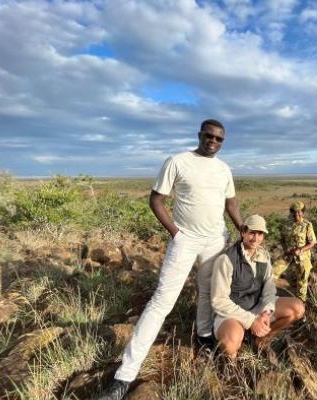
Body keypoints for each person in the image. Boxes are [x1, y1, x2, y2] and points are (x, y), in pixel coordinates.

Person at [96, 119, 243, 400]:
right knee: (161, 301)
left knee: (207, 292)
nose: (213, 141)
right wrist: (176, 233)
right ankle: (124, 376)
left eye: (219, 138)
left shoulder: (224, 169)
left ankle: (203, 335)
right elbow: (156, 200)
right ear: (199, 135)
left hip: (215, 240)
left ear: (223, 142)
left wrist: (241, 228)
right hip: (185, 240)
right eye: (209, 136)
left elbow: (231, 203)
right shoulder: (178, 161)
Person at [211, 214, 305, 359]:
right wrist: (251, 321)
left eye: (260, 234)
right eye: (252, 233)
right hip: (232, 313)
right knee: (230, 343)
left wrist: (266, 312)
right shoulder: (226, 259)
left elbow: (269, 289)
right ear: (243, 232)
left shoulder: (263, 256)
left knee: (297, 308)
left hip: (257, 307)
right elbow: (218, 301)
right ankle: (232, 362)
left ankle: (261, 340)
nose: (256, 238)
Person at [272, 201, 317, 301]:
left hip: (302, 255)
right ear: (291, 212)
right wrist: (285, 248)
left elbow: (312, 242)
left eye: (299, 212)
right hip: (288, 255)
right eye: (294, 212)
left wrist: (300, 250)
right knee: (272, 272)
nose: (296, 214)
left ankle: (301, 303)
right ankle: (270, 296)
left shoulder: (307, 225)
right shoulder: (286, 225)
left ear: (302, 212)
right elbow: (282, 239)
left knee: (302, 279)